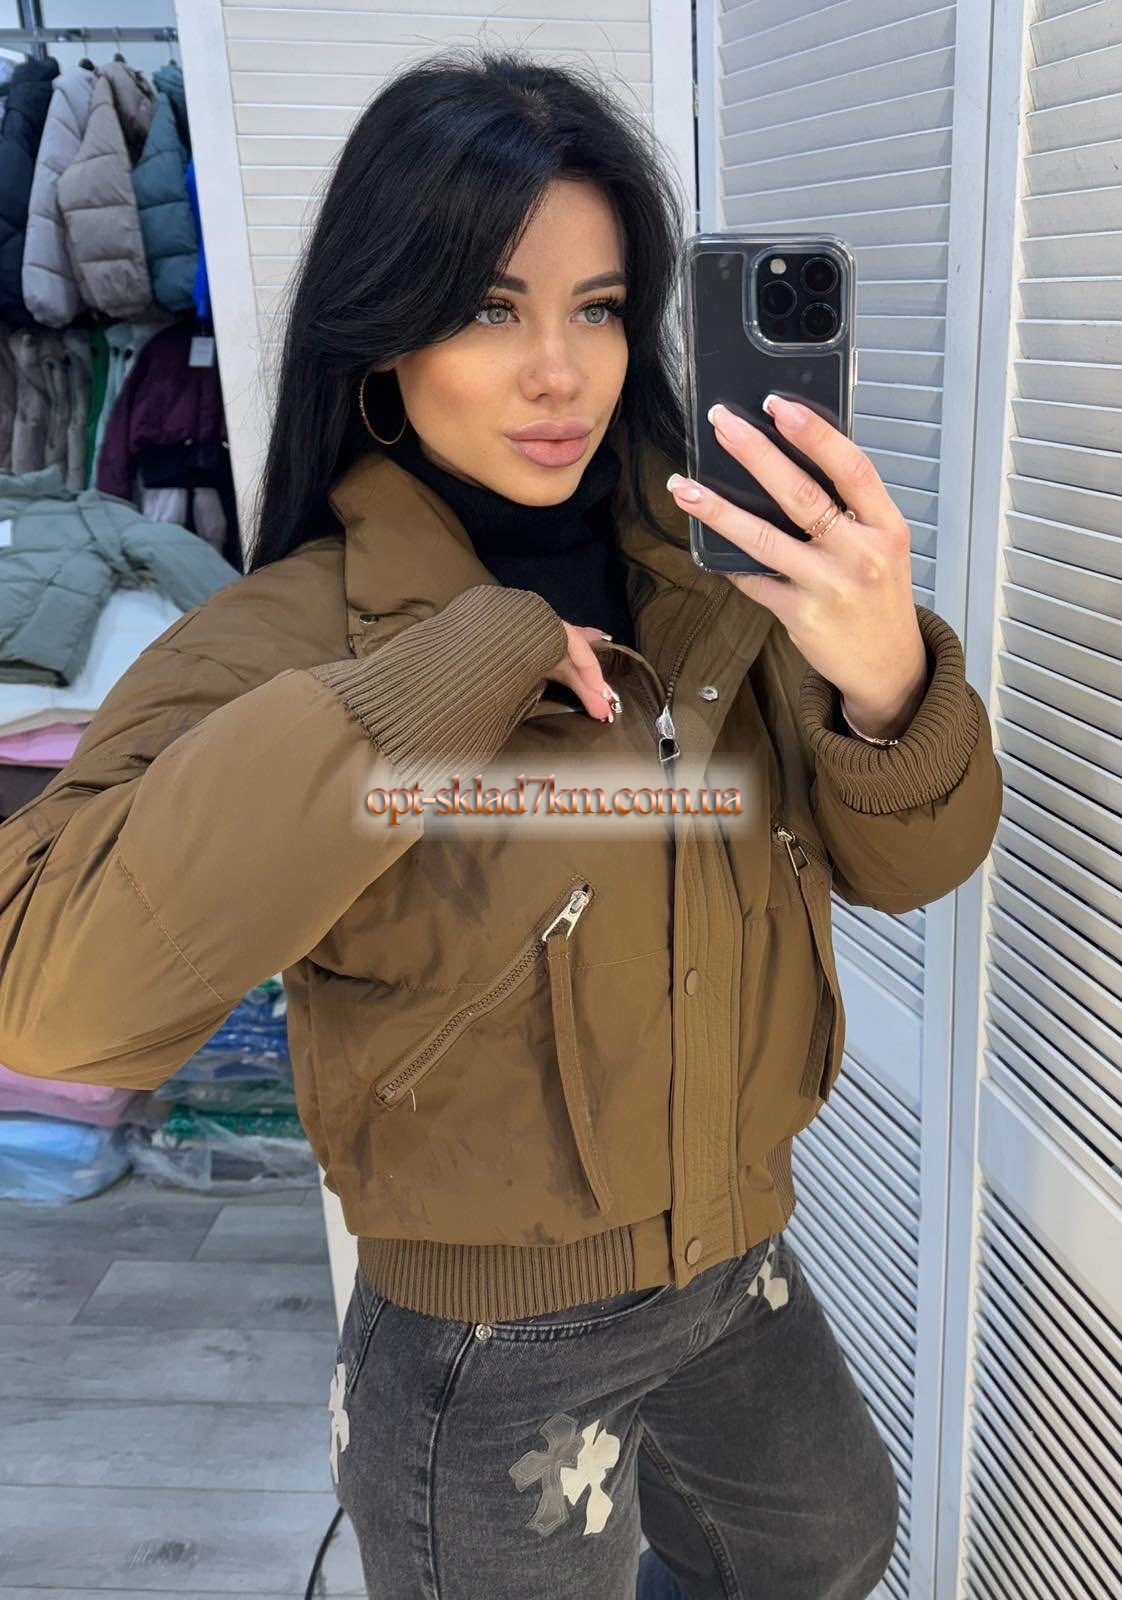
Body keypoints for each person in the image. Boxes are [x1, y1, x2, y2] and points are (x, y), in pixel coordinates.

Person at [0, 46, 1002, 1600]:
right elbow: (53, 992)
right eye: (487, 307)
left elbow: (910, 861)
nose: (559, 373)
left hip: (732, 1255)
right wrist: (457, 666)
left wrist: (885, 681)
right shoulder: (290, 637)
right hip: (483, 1337)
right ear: (382, 333)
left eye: (596, 309)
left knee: (824, 1542)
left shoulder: (721, 591)